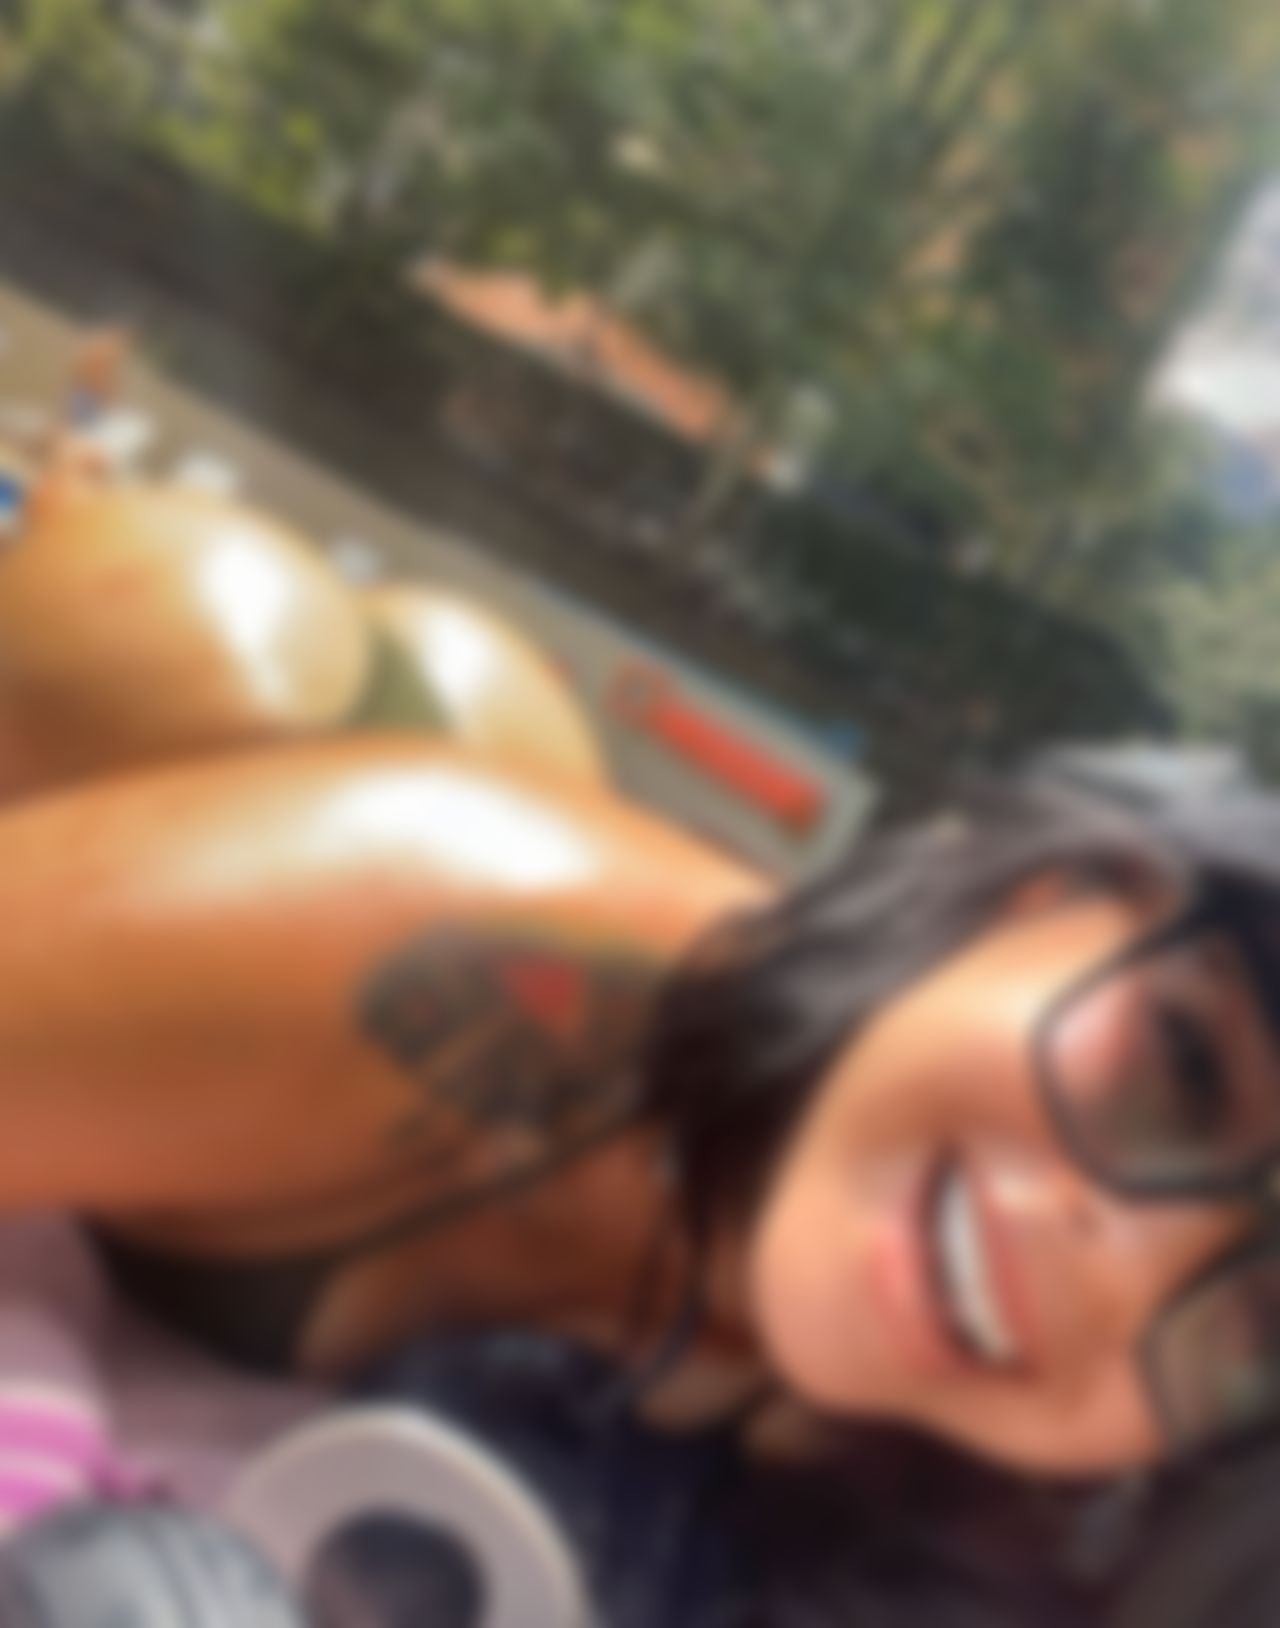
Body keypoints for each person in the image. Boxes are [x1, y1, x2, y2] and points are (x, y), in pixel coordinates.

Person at [1, 730, 1279, 1621]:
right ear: (1042, 898)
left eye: (1267, 1319)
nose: (1116, 1265)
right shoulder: (420, 932)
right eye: (1182, 1065)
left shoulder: (1008, 1536)